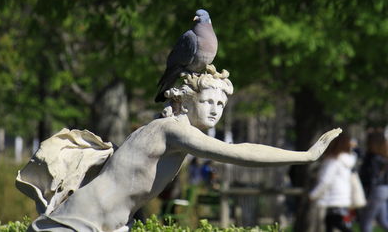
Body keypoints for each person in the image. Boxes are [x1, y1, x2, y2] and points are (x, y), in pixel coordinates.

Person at [18, 65, 341, 232]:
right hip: (80, 222)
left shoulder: (172, 132)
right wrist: (305, 155)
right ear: (187, 101)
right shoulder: (173, 130)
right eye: (208, 101)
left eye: (220, 103)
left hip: (110, 224)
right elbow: (238, 151)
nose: (215, 109)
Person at [309, 132, 356, 232]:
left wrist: (313, 195)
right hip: (343, 197)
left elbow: (325, 181)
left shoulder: (333, 161)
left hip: (332, 198)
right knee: (332, 223)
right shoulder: (347, 160)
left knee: (334, 222)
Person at [359, 130, 388, 232]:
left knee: (365, 222)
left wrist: (367, 195)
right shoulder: (383, 157)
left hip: (376, 190)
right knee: (382, 220)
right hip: (384, 189)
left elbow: (372, 178)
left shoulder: (373, 158)